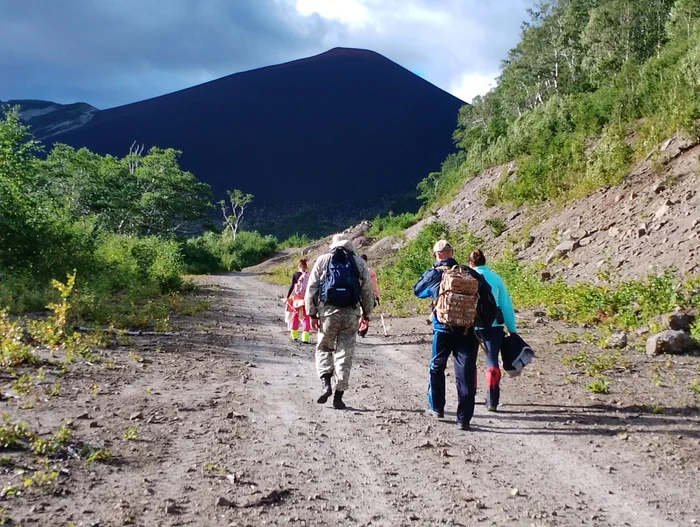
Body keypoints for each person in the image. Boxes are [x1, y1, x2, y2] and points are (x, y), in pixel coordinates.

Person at [413, 240, 498, 430]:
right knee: (466, 372)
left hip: (443, 329)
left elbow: (417, 291)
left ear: (436, 254)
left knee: (437, 366)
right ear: (452, 252)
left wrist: (434, 293)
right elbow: (488, 298)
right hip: (468, 330)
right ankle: (464, 419)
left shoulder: (434, 273)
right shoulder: (471, 273)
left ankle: (437, 407)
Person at [305, 234, 374, 409]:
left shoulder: (323, 260)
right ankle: (338, 396)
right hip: (351, 313)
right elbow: (367, 291)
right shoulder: (359, 262)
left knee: (324, 347)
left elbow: (311, 287)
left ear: (333, 245)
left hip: (328, 312)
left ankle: (326, 383)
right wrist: (367, 315)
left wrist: (311, 313)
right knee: (345, 352)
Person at [469, 249, 517, 412]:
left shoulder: (466, 277)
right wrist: (512, 329)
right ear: (485, 262)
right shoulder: (496, 278)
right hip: (494, 325)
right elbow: (505, 305)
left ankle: (470, 395)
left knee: (470, 361)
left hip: (470, 326)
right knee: (492, 360)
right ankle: (492, 401)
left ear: (470, 263)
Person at [286, 258, 312, 343]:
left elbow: (291, 286)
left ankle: (294, 335)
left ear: (299, 266)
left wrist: (287, 297)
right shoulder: (309, 275)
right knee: (306, 317)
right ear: (306, 266)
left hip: (297, 298)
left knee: (295, 316)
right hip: (306, 298)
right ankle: (305, 337)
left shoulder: (296, 274)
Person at [357, 254, 380, 337]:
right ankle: (361, 329)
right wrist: (377, 296)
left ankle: (358, 328)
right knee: (365, 313)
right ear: (366, 261)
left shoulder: (355, 270)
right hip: (368, 295)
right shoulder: (370, 272)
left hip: (357, 295)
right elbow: (374, 286)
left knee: (359, 312)